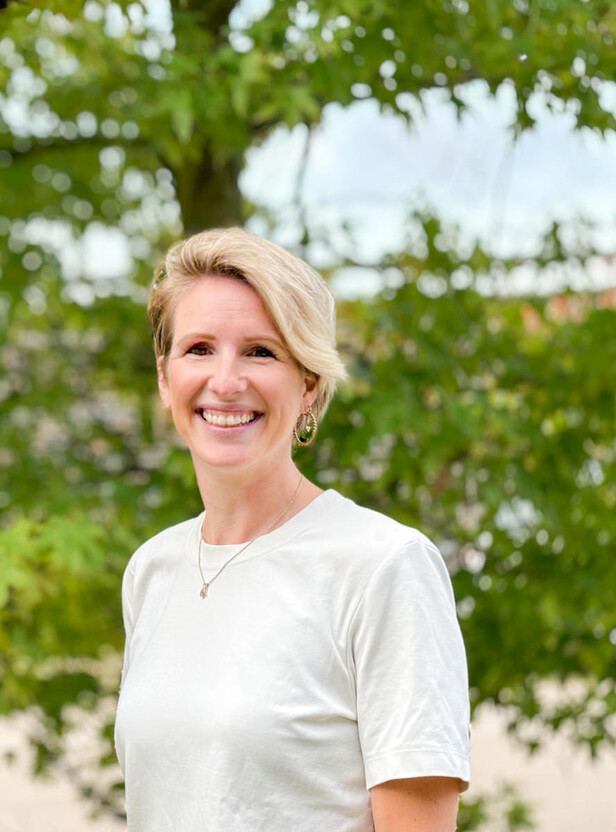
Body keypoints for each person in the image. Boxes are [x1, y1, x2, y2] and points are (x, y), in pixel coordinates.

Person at [115, 228, 469, 831]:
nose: (225, 382)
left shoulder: (384, 566)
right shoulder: (152, 569)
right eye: (199, 348)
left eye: (260, 351)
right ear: (164, 374)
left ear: (309, 383)